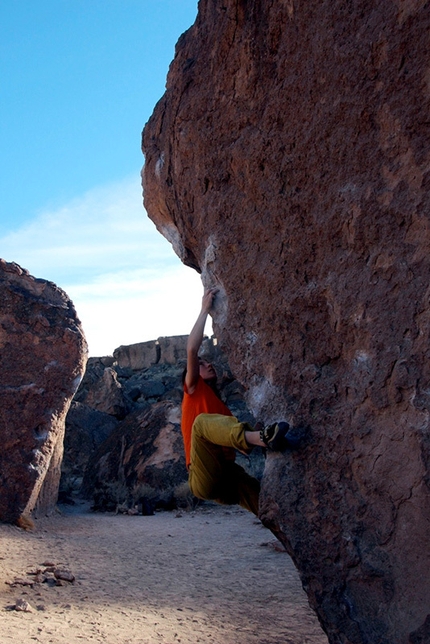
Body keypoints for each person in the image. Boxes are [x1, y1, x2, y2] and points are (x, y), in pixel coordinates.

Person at [181, 287, 298, 516]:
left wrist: (255, 433)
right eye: (203, 365)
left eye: (208, 363)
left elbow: (240, 449)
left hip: (227, 478)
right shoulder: (193, 389)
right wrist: (204, 309)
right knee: (202, 424)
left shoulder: (224, 412)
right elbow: (192, 350)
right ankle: (262, 438)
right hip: (202, 477)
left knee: (268, 508)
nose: (208, 365)